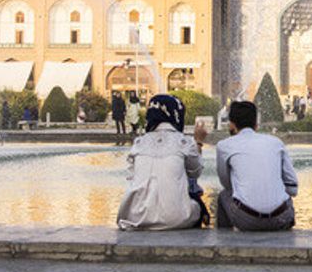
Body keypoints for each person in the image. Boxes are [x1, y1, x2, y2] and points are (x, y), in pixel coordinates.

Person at [117, 94, 207, 230]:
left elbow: (132, 178)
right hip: (175, 219)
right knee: (197, 203)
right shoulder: (184, 142)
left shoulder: (139, 143)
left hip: (136, 217)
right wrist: (198, 142)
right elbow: (195, 172)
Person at [211, 101, 297, 231]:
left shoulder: (224, 146)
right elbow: (293, 188)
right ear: (256, 124)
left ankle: (225, 242)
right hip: (281, 217)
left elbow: (227, 185)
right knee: (285, 195)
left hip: (247, 220)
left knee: (223, 195)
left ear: (232, 124)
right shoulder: (276, 143)